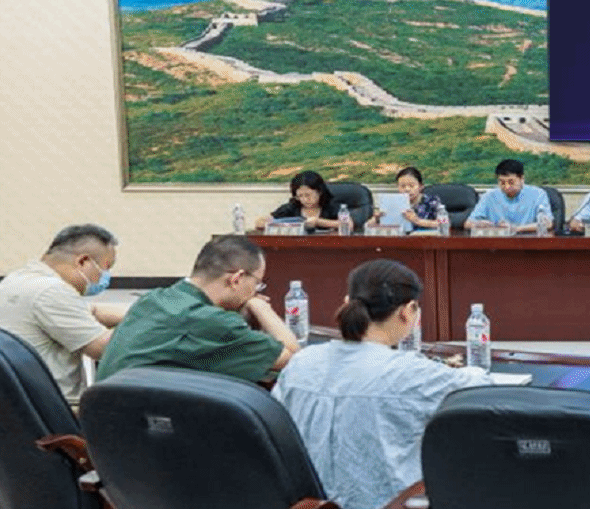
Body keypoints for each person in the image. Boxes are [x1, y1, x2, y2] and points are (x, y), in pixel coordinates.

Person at [272, 259, 491, 509]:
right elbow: (481, 387)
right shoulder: (410, 373)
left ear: (347, 302)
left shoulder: (302, 362)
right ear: (408, 311)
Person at [97, 234, 299, 385]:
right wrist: (259, 306)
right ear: (236, 279)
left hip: (104, 420)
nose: (256, 290)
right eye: (257, 283)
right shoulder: (214, 322)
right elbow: (293, 356)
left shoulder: (155, 298)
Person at [0, 225, 126, 400]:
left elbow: (93, 311)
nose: (106, 276)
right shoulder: (52, 291)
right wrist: (153, 326)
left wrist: (141, 313)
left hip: (20, 401)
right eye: (106, 268)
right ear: (83, 262)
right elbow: (102, 347)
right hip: (52, 405)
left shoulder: (19, 279)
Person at [467, 158, 551, 233]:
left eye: (511, 182)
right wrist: (478, 224)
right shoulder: (489, 196)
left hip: (528, 241)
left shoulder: (538, 194)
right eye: (502, 182)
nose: (507, 187)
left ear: (522, 179)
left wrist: (516, 229)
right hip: (497, 242)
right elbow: (468, 223)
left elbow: (548, 224)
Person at [255, 170, 346, 231]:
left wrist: (319, 222)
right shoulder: (291, 207)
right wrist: (264, 221)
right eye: (300, 196)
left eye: (308, 195)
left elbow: (348, 224)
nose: (304, 199)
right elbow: (262, 223)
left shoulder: (330, 206)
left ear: (319, 192)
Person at [385, 166, 445, 231]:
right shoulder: (393, 204)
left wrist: (418, 221)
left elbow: (445, 221)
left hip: (426, 236)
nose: (407, 189)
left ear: (421, 186)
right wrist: (377, 218)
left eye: (411, 186)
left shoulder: (432, 201)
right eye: (402, 186)